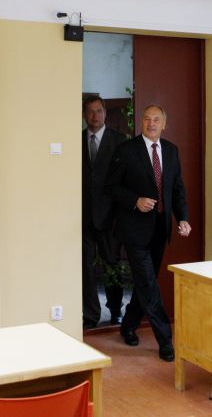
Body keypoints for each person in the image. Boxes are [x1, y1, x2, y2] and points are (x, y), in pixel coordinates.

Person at [105, 104, 191, 361]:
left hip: (160, 230)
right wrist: (135, 200)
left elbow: (177, 189)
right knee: (149, 286)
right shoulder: (126, 150)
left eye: (156, 120)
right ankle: (166, 341)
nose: (151, 123)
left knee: (146, 282)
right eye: (147, 119)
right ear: (141, 122)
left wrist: (183, 218)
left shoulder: (171, 151)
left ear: (164, 124)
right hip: (134, 231)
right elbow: (111, 187)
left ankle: (128, 325)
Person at [82, 96, 127, 329]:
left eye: (99, 110)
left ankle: (116, 309)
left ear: (105, 113)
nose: (95, 116)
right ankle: (90, 315)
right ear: (84, 115)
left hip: (110, 217)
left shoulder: (119, 141)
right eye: (90, 111)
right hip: (83, 216)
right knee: (86, 267)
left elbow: (124, 180)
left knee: (112, 265)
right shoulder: (76, 140)